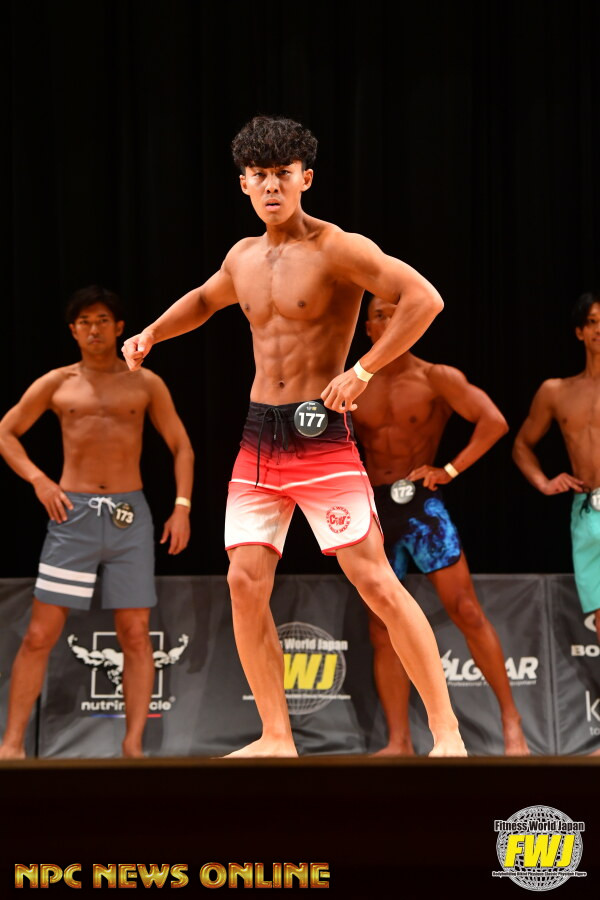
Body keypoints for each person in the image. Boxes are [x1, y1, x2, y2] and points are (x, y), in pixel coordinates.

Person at [122, 115, 466, 757]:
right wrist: (151, 334)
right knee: (243, 582)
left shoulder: (339, 248)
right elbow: (204, 300)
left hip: (319, 433)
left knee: (375, 580)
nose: (271, 186)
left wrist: (364, 370)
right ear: (244, 185)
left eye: (283, 174)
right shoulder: (242, 257)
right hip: (260, 437)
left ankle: (446, 732)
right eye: (259, 176)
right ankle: (277, 736)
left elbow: (424, 299)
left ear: (306, 178)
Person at [0, 285, 194, 759]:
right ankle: (11, 745)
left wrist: (182, 506)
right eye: (85, 322)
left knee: (135, 635)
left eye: (103, 320)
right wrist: (39, 481)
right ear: (73, 330)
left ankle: (133, 748)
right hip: (73, 516)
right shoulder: (57, 382)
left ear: (120, 327)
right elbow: (5, 432)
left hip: (130, 518)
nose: (94, 329)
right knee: (40, 634)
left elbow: (181, 446)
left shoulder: (145, 383)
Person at [352, 295, 529, 755]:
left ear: (411, 322)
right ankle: (399, 741)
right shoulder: (353, 383)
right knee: (381, 626)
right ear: (367, 328)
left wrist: (449, 470)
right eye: (379, 315)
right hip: (374, 510)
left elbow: (494, 422)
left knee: (466, 610)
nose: (388, 321)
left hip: (423, 509)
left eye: (396, 313)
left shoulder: (435, 377)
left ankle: (511, 722)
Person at [513, 291, 600, 644]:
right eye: (592, 322)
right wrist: (544, 482)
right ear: (580, 332)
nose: (599, 329)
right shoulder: (556, 391)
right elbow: (522, 445)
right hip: (586, 509)